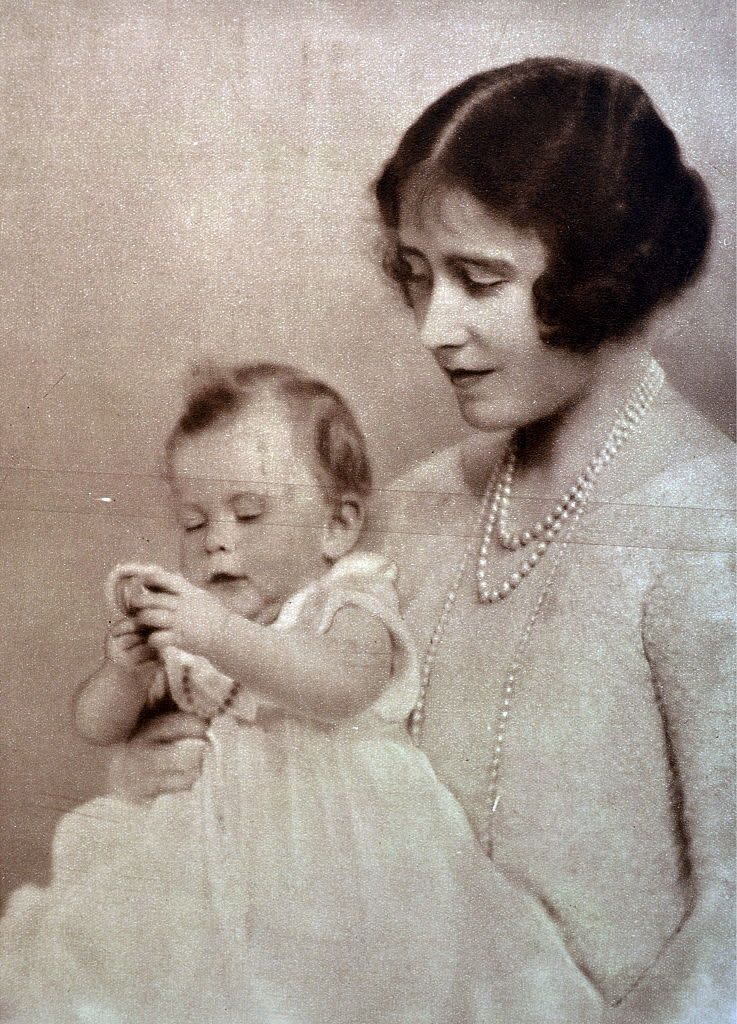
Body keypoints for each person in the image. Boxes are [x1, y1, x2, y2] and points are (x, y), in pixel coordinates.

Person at [111, 58, 735, 1023]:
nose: (435, 329)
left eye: (480, 280)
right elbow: (287, 742)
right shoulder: (410, 508)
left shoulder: (707, 535)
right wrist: (168, 775)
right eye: (417, 278)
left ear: (604, 275)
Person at [0, 361, 599, 1024]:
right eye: (193, 522)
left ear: (336, 526)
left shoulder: (346, 600)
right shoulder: (195, 623)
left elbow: (340, 689)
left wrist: (220, 635)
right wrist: (122, 670)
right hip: (205, 859)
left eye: (249, 513)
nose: (217, 541)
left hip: (336, 855)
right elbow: (98, 725)